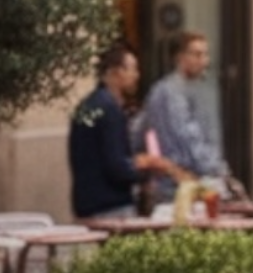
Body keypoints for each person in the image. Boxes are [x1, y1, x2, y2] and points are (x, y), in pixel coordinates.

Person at [68, 42, 184, 220]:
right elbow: (117, 166)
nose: (137, 75)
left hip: (86, 204)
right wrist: (147, 169)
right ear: (116, 72)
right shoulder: (110, 110)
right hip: (111, 206)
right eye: (133, 69)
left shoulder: (87, 106)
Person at [139, 31, 233, 188]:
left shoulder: (200, 90)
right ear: (180, 57)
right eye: (197, 55)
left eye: (206, 54)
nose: (204, 61)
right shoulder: (170, 93)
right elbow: (188, 140)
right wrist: (218, 170)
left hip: (185, 180)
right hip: (186, 182)